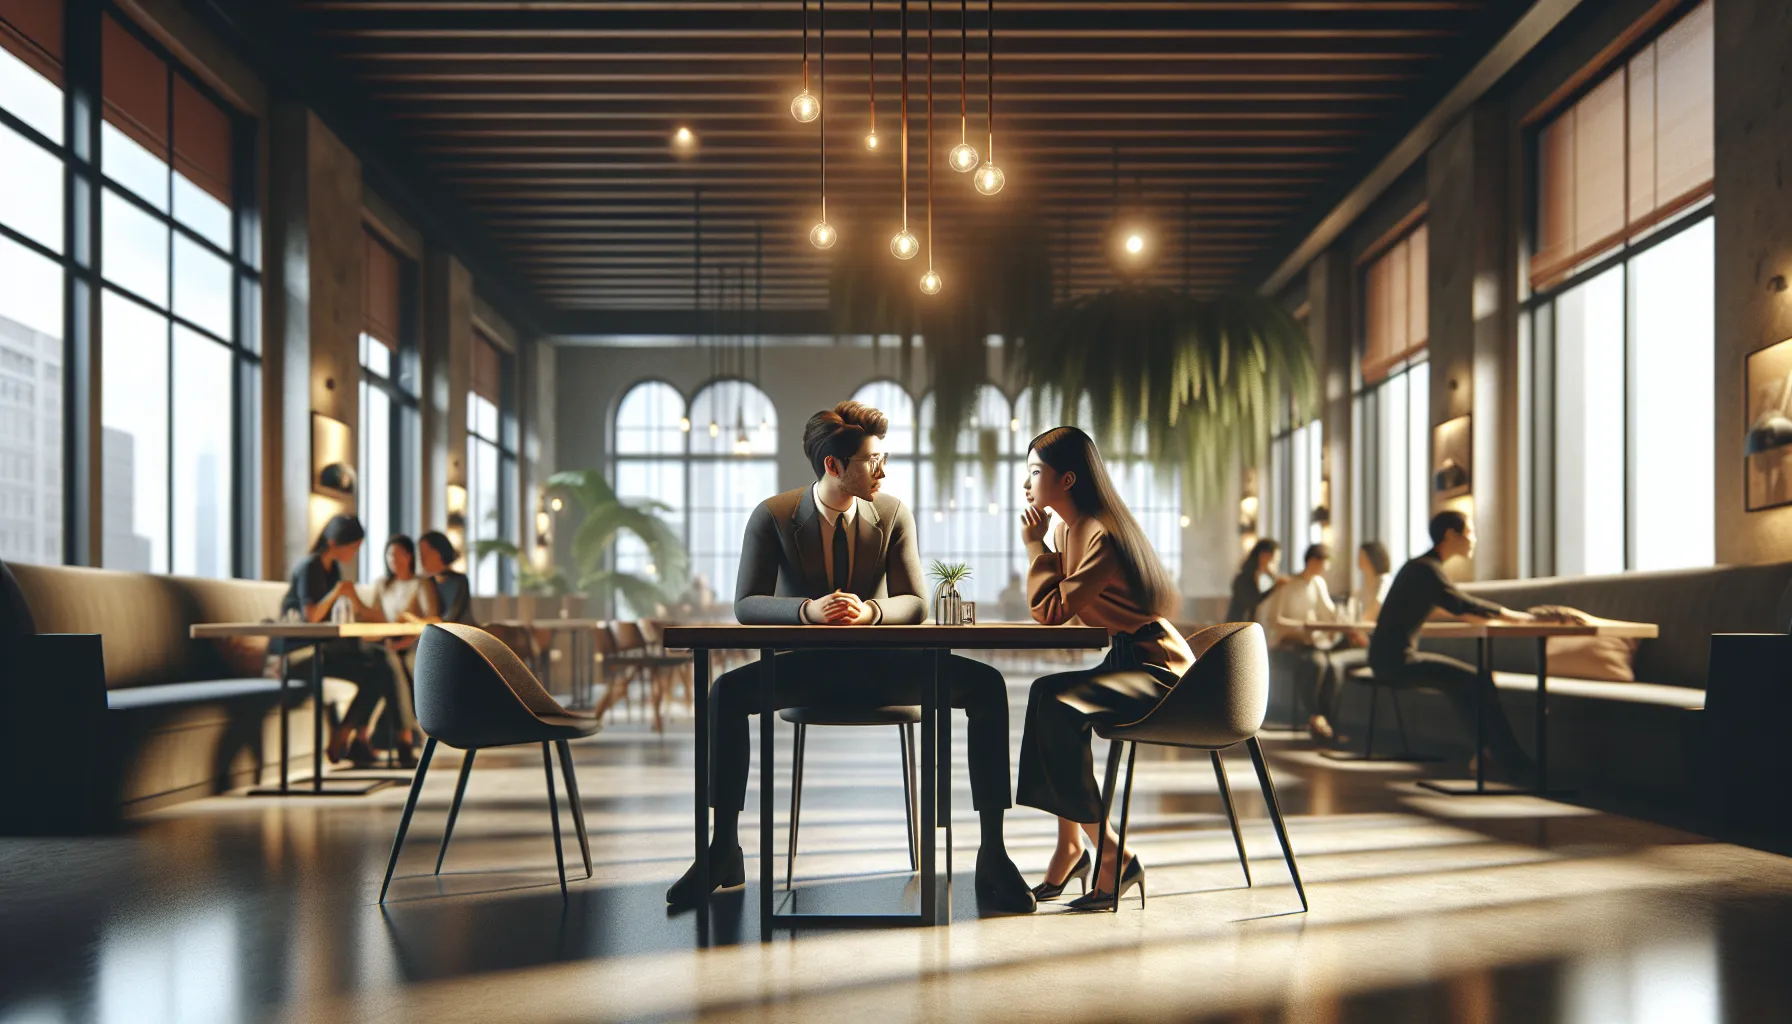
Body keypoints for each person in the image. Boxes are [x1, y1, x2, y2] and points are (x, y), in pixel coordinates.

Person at [665, 400, 1036, 914]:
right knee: (725, 692)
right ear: (833, 466)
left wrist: (871, 613)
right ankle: (723, 848)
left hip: (886, 669)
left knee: (987, 685)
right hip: (808, 672)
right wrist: (807, 611)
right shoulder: (773, 516)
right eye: (873, 460)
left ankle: (993, 853)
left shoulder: (891, 514)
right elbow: (746, 603)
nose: (883, 469)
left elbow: (917, 602)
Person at [1015, 426, 1195, 912]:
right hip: (1125, 658)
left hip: (1158, 669)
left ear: (1067, 479)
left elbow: (1051, 611)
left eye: (1035, 472)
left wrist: (1034, 549)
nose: (1026, 484)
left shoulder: (1101, 534)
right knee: (1046, 696)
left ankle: (1111, 853)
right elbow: (1063, 611)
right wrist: (1046, 545)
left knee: (1054, 702)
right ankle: (1071, 848)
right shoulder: (1068, 530)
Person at [1369, 510, 1535, 779]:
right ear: (1450, 535)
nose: (1474, 538)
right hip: (1398, 662)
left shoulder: (1420, 568)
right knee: (1476, 680)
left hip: (1386, 658)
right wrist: (1517, 617)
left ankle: (1489, 754)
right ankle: (1511, 763)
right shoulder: (1425, 569)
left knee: (1467, 684)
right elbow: (1461, 603)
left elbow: (1454, 607)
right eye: (1470, 532)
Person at [279, 514, 404, 768]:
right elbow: (311, 616)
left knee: (381, 665)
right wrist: (338, 592)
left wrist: (354, 600)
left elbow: (341, 613)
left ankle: (349, 734)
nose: (355, 553)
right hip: (303, 653)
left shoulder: (332, 568)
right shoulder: (310, 567)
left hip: (327, 651)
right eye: (354, 547)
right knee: (379, 664)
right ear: (335, 543)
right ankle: (366, 738)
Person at [1310, 540, 1394, 739]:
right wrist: (1352, 629)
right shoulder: (1362, 584)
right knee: (1320, 660)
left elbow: (1370, 615)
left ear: (1372, 557)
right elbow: (1351, 615)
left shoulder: (1384, 581)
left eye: (1362, 555)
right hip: (1357, 639)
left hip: (1375, 646)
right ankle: (1320, 719)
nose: (1358, 559)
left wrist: (1354, 629)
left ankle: (1331, 724)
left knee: (1334, 662)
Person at [1255, 543, 1340, 738]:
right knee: (1315, 664)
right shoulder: (1288, 585)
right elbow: (1275, 620)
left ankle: (1324, 719)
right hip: (1287, 644)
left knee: (1332, 666)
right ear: (1312, 561)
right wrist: (1302, 626)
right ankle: (1315, 715)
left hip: (1310, 643)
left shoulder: (1318, 584)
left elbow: (1328, 611)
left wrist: (1335, 624)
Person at [365, 534, 435, 767]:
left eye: (397, 554)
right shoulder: (382, 585)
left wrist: (406, 635)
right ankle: (404, 738)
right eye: (389, 555)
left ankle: (386, 736)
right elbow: (374, 618)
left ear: (409, 556)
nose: (393, 559)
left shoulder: (420, 583)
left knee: (396, 666)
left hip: (414, 643)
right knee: (385, 664)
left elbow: (432, 619)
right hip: (386, 643)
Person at [418, 531, 475, 625]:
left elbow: (454, 613)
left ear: (439, 553)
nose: (421, 559)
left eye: (426, 553)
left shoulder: (460, 581)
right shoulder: (427, 582)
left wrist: (435, 621)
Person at [1227, 538, 1283, 622]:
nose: (1275, 566)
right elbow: (1253, 601)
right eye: (1273, 561)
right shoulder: (1243, 578)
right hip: (1239, 627)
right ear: (1263, 556)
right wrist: (1274, 586)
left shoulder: (1264, 578)